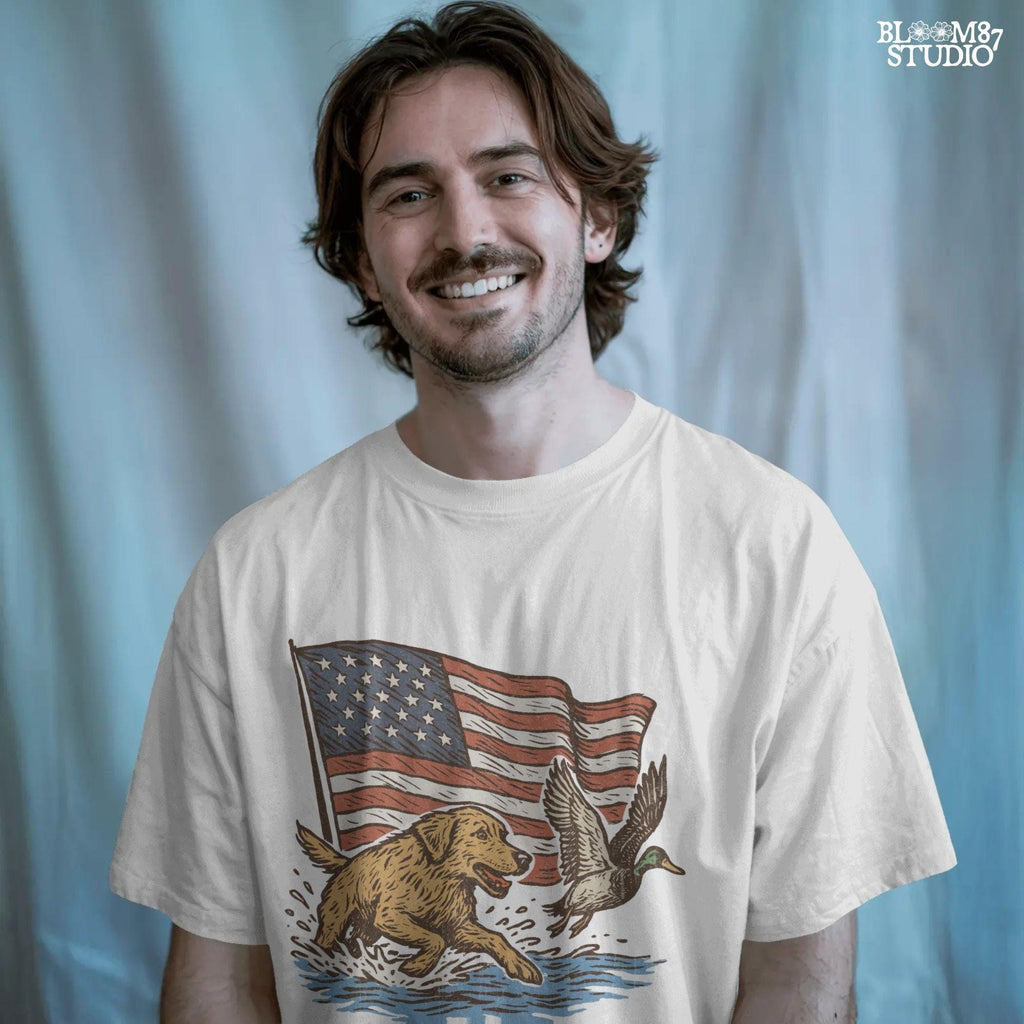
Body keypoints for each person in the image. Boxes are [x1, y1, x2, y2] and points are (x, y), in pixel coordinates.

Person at [110, 3, 957, 1022]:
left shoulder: (773, 546)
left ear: (595, 217)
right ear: (363, 260)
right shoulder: (254, 571)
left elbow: (799, 981)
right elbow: (216, 980)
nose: (465, 232)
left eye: (507, 176)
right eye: (408, 193)